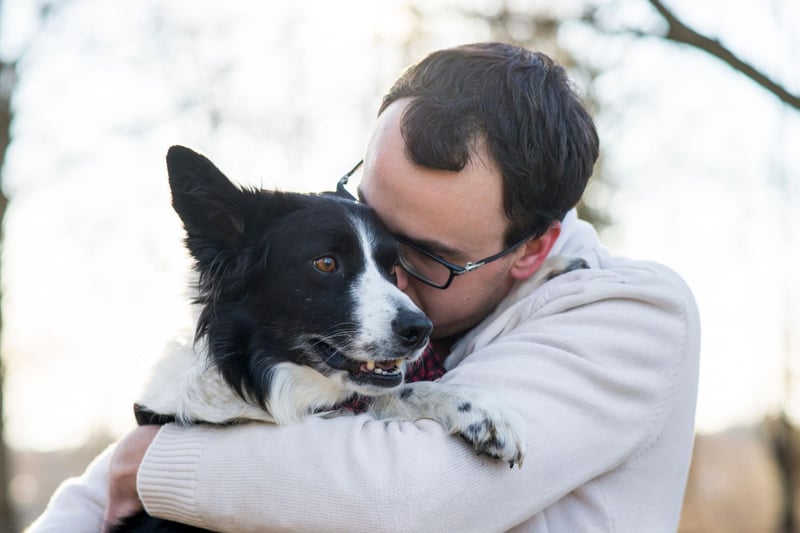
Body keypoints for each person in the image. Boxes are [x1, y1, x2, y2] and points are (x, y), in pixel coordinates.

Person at [30, 42, 700, 532]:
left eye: (428, 257)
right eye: (372, 224)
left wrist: (156, 465)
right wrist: (132, 459)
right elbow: (103, 488)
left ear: (532, 249)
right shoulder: (344, 350)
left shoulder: (634, 315)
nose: (393, 286)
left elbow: (402, 495)